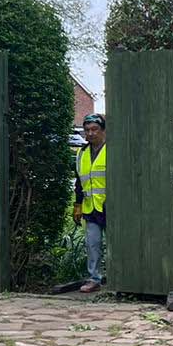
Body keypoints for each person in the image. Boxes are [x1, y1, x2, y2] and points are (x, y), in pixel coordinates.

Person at [74, 113, 108, 293]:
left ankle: (118, 278)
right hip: (90, 207)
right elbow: (79, 182)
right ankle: (94, 279)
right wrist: (77, 205)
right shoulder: (82, 153)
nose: (91, 133)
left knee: (115, 245)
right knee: (92, 244)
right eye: (87, 130)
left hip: (110, 207)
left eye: (95, 129)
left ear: (103, 130)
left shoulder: (112, 150)